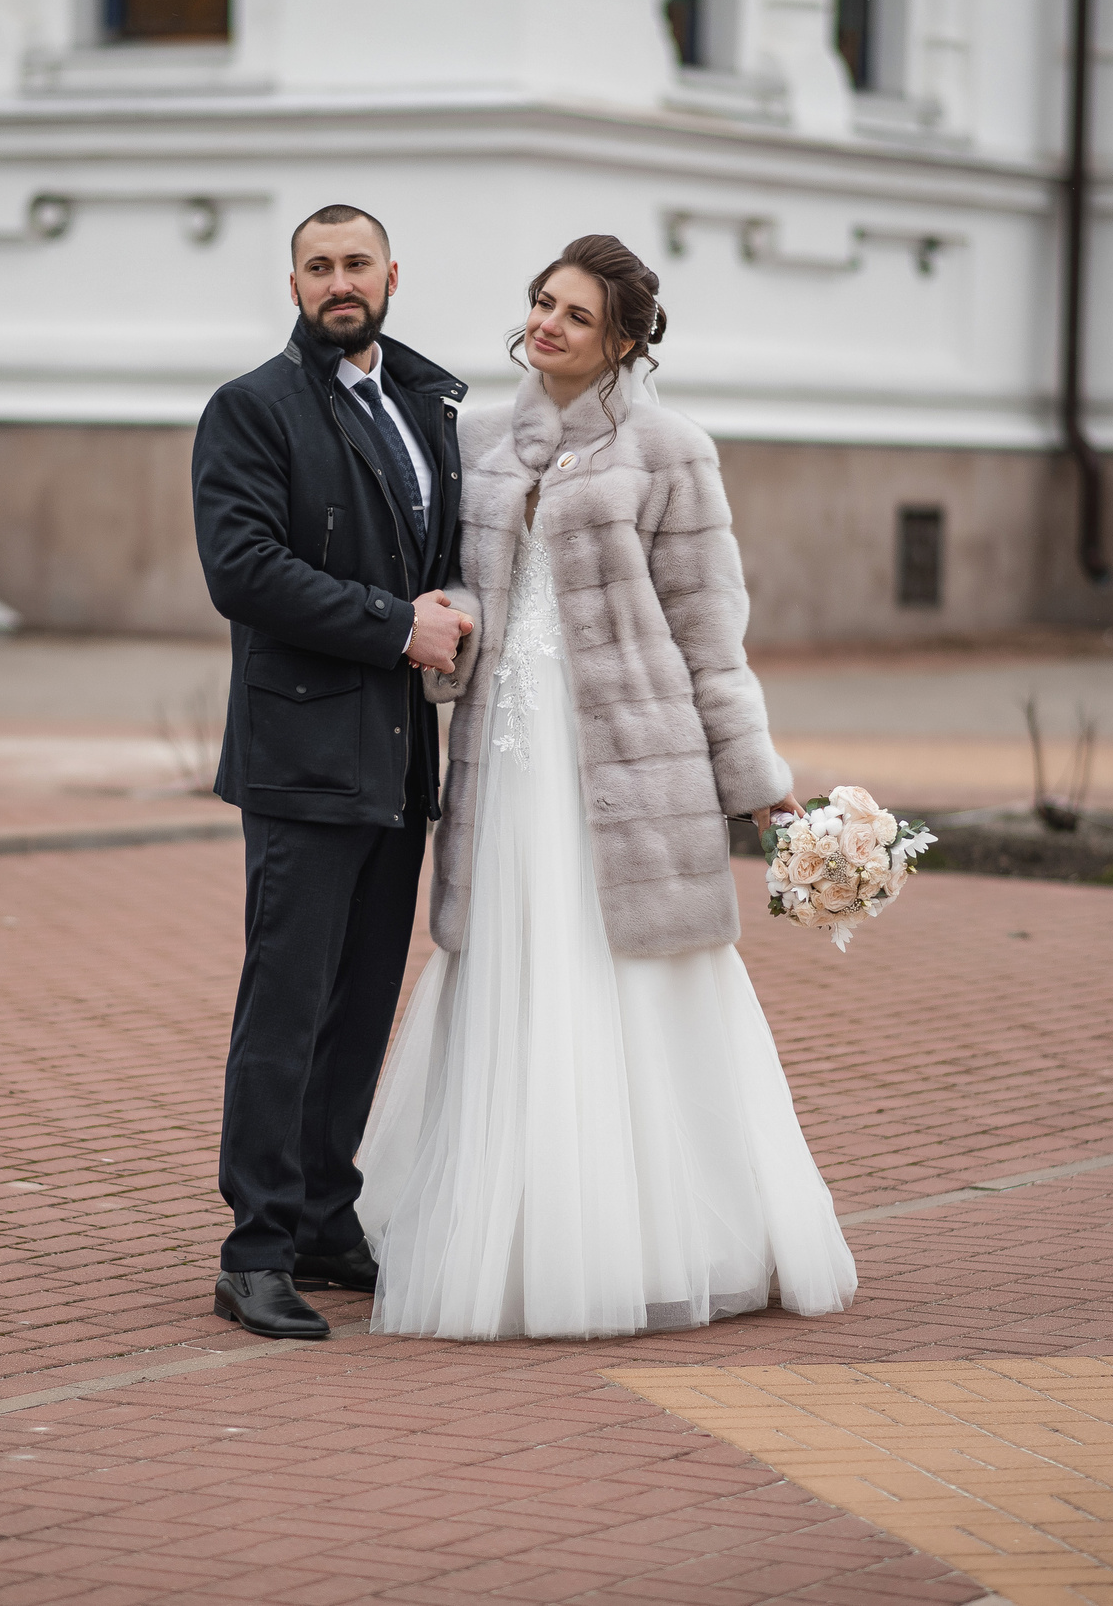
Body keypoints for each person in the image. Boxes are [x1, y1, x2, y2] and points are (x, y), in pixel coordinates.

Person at [354, 233, 860, 1339]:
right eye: (540, 303)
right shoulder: (476, 439)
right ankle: (505, 1222)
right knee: (509, 961)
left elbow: (709, 637)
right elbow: (442, 584)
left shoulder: (673, 451)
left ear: (623, 339)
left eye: (574, 315)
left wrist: (761, 786)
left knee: (637, 973)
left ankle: (669, 1230)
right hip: (507, 754)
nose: (545, 325)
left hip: (631, 761)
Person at [191, 204, 475, 1340]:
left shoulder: (422, 403)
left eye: (356, 263)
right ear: (294, 281)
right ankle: (253, 1247)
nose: (338, 283)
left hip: (400, 756)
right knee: (287, 1004)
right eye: (319, 267)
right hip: (302, 755)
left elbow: (435, 557)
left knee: (357, 1009)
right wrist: (391, 625)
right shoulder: (251, 411)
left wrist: (453, 605)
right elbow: (243, 570)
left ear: (392, 274)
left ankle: (321, 1214)